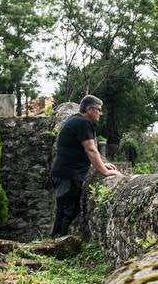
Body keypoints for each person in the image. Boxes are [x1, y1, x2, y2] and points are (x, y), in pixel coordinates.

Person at [51, 95, 120, 236]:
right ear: (89, 109)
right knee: (68, 212)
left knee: (64, 210)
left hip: (63, 172)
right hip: (68, 175)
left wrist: (102, 163)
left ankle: (55, 241)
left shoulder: (75, 120)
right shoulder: (82, 123)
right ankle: (58, 244)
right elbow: (90, 149)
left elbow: (86, 150)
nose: (100, 113)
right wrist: (104, 172)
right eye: (98, 110)